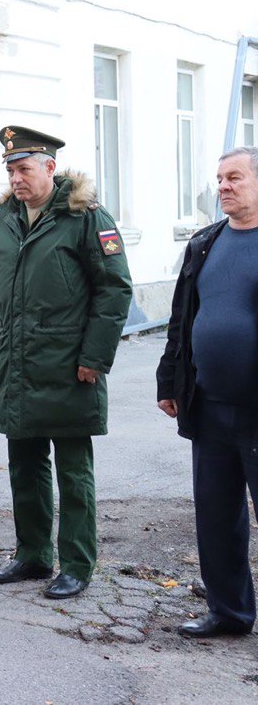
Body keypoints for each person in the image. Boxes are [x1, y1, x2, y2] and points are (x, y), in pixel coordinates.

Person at [0, 126, 132, 600]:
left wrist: (95, 357)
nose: (16, 179)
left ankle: (77, 565)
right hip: (15, 361)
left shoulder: (85, 217)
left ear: (49, 167)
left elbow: (114, 289)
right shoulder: (2, 220)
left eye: (24, 169)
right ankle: (33, 555)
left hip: (68, 364)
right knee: (24, 465)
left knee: (73, 471)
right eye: (10, 171)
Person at [157, 147, 258, 639]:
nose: (223, 186)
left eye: (234, 177)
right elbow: (182, 319)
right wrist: (169, 380)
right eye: (219, 179)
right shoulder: (205, 243)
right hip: (210, 404)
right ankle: (229, 613)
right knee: (217, 517)